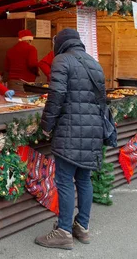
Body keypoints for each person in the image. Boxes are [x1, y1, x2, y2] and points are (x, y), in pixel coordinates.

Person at [35, 28, 105, 250]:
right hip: (93, 131)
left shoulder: (61, 61)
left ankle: (64, 231)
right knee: (84, 179)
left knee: (64, 181)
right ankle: (81, 227)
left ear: (61, 44)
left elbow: (56, 96)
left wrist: (46, 126)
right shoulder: (94, 63)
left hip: (70, 130)